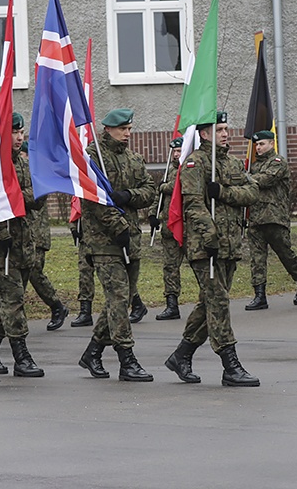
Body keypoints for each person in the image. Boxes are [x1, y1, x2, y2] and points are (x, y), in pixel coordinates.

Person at [164, 111, 261, 387]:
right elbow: (193, 204)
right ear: (204, 134)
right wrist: (211, 236)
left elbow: (252, 193)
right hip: (205, 247)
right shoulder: (196, 163)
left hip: (230, 246)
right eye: (219, 130)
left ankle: (181, 355)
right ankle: (230, 364)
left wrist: (223, 193)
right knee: (218, 302)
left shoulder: (230, 162)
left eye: (226, 129)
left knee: (209, 302)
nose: (225, 133)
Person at [78, 108, 156, 382]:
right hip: (104, 242)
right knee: (120, 299)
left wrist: (127, 196)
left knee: (118, 300)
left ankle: (93, 352)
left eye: (130, 129)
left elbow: (150, 191)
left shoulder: (134, 158)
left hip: (130, 239)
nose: (128, 134)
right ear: (108, 129)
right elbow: (94, 198)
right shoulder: (92, 157)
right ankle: (127, 359)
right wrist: (118, 226)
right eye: (123, 129)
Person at [0, 113, 45, 377]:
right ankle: (21, 356)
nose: (19, 137)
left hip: (22, 246)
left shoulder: (24, 166)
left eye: (21, 132)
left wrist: (18, 194)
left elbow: (35, 198)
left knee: (7, 303)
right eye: (14, 133)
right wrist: (15, 197)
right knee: (12, 301)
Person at [245, 130, 297, 310]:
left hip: (274, 217)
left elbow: (267, 179)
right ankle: (260, 295)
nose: (258, 148)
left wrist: (245, 178)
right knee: (257, 258)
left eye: (262, 144)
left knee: (285, 254)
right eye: (257, 145)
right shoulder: (253, 167)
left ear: (271, 144)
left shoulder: (278, 162)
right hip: (255, 218)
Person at [21, 142, 70, 331]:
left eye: (25, 156)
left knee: (34, 273)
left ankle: (57, 306)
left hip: (37, 235)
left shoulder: (35, 176)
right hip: (25, 235)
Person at [150, 136, 185, 320]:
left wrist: (166, 187)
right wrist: (152, 214)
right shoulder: (168, 171)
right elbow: (159, 197)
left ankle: (209, 302)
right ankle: (172, 304)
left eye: (180, 151)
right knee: (170, 267)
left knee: (200, 267)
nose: (176, 154)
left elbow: (182, 187)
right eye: (174, 151)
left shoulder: (191, 168)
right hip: (169, 227)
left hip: (190, 228)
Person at [68, 217, 96, 327]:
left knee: (111, 276)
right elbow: (76, 210)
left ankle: (136, 303)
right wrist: (73, 228)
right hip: (86, 237)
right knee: (85, 273)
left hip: (105, 239)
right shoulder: (82, 199)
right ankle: (85, 312)